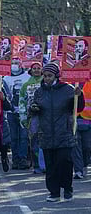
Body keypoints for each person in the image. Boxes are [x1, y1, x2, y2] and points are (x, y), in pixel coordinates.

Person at [30, 63, 84, 202]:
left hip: (64, 133)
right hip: (46, 133)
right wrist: (34, 108)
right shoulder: (39, 92)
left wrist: (80, 95)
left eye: (50, 76)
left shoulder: (68, 89)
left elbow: (78, 107)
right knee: (51, 166)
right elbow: (33, 107)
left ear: (56, 76)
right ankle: (54, 192)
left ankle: (67, 188)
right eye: (45, 76)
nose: (47, 78)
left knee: (64, 163)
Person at [3, 58, 30, 170]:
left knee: (24, 137)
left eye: (16, 63)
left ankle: (23, 158)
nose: (14, 65)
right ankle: (15, 159)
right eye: (12, 63)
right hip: (11, 112)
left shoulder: (27, 77)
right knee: (13, 137)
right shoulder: (5, 78)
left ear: (20, 64)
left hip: (24, 112)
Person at [18, 62, 45, 174]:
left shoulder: (46, 82)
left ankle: (46, 165)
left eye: (39, 68)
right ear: (31, 70)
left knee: (45, 141)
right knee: (34, 142)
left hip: (46, 117)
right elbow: (22, 102)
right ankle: (37, 166)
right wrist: (23, 117)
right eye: (34, 68)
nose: (37, 70)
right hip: (32, 118)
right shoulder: (25, 85)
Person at [73, 79, 91, 179]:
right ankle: (78, 170)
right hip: (73, 119)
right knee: (75, 146)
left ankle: (84, 165)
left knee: (87, 147)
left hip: (88, 119)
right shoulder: (70, 82)